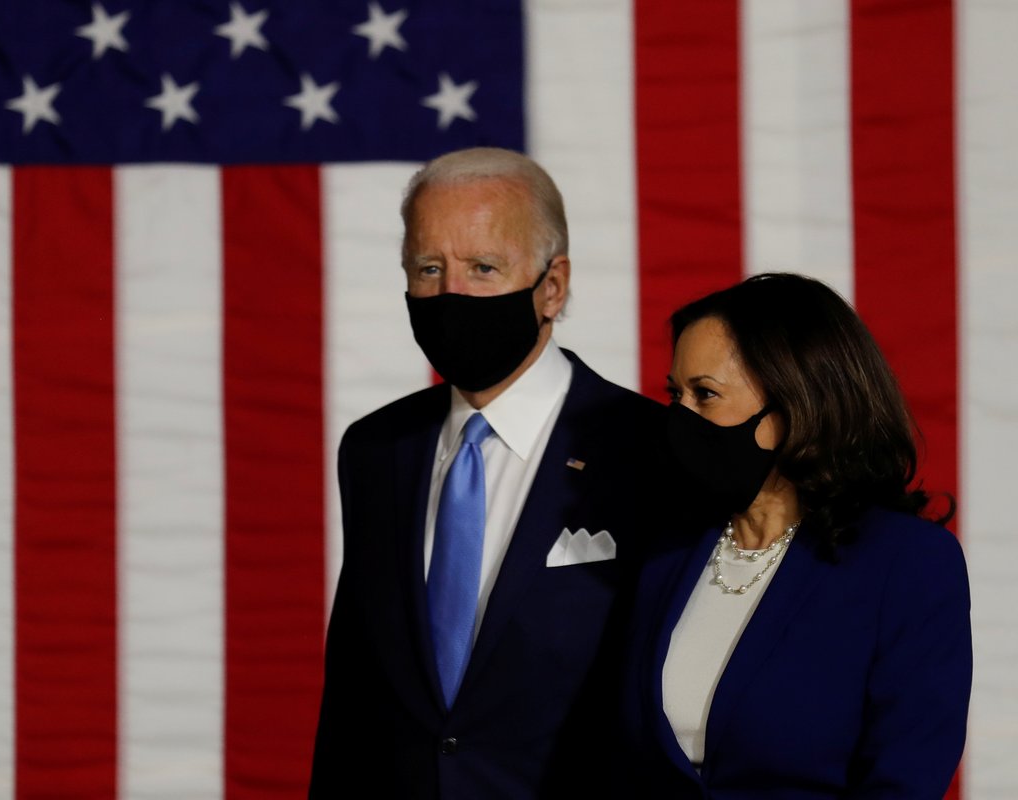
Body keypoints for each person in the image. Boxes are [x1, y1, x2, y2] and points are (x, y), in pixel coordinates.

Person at [310, 147, 668, 799]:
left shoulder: (651, 448)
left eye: (482, 267)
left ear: (552, 286)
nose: (451, 294)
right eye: (428, 268)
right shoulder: (376, 448)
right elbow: (356, 698)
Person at [620, 272, 972, 798]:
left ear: (793, 406)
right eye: (676, 394)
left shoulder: (908, 564)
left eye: (705, 394)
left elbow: (904, 779)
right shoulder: (667, 551)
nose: (679, 418)